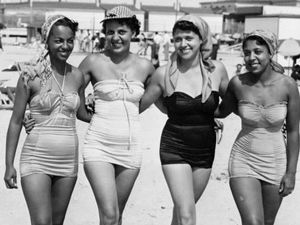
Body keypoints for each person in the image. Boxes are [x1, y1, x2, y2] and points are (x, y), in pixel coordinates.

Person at [140, 15, 229, 225]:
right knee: (187, 214)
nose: (183, 44)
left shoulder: (217, 71)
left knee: (182, 212)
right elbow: (140, 104)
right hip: (174, 147)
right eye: (178, 39)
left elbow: (234, 101)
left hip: (205, 150)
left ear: (201, 40)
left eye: (189, 38)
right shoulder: (163, 74)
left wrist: (210, 115)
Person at [4, 15, 91, 225]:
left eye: (70, 40)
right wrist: (9, 165)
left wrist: (103, 107)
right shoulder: (30, 76)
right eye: (59, 40)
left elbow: (82, 114)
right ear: (47, 41)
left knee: (57, 222)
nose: (65, 46)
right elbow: (16, 121)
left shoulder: (77, 76)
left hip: (68, 161)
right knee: (42, 222)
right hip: (36, 158)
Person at [78, 6, 154, 225]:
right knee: (110, 214)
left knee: (116, 216)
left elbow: (165, 99)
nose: (115, 37)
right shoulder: (93, 61)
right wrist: (85, 115)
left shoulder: (145, 66)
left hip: (131, 149)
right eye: (110, 32)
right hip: (98, 146)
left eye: (121, 31)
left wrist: (207, 115)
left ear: (133, 33)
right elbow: (70, 91)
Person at [215, 30, 300, 225]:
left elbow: (294, 132)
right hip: (243, 158)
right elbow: (220, 111)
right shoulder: (238, 83)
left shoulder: (288, 86)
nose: (251, 57)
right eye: (246, 52)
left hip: (275, 161)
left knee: (267, 223)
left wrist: (291, 173)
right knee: (253, 222)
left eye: (258, 51)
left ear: (270, 53)